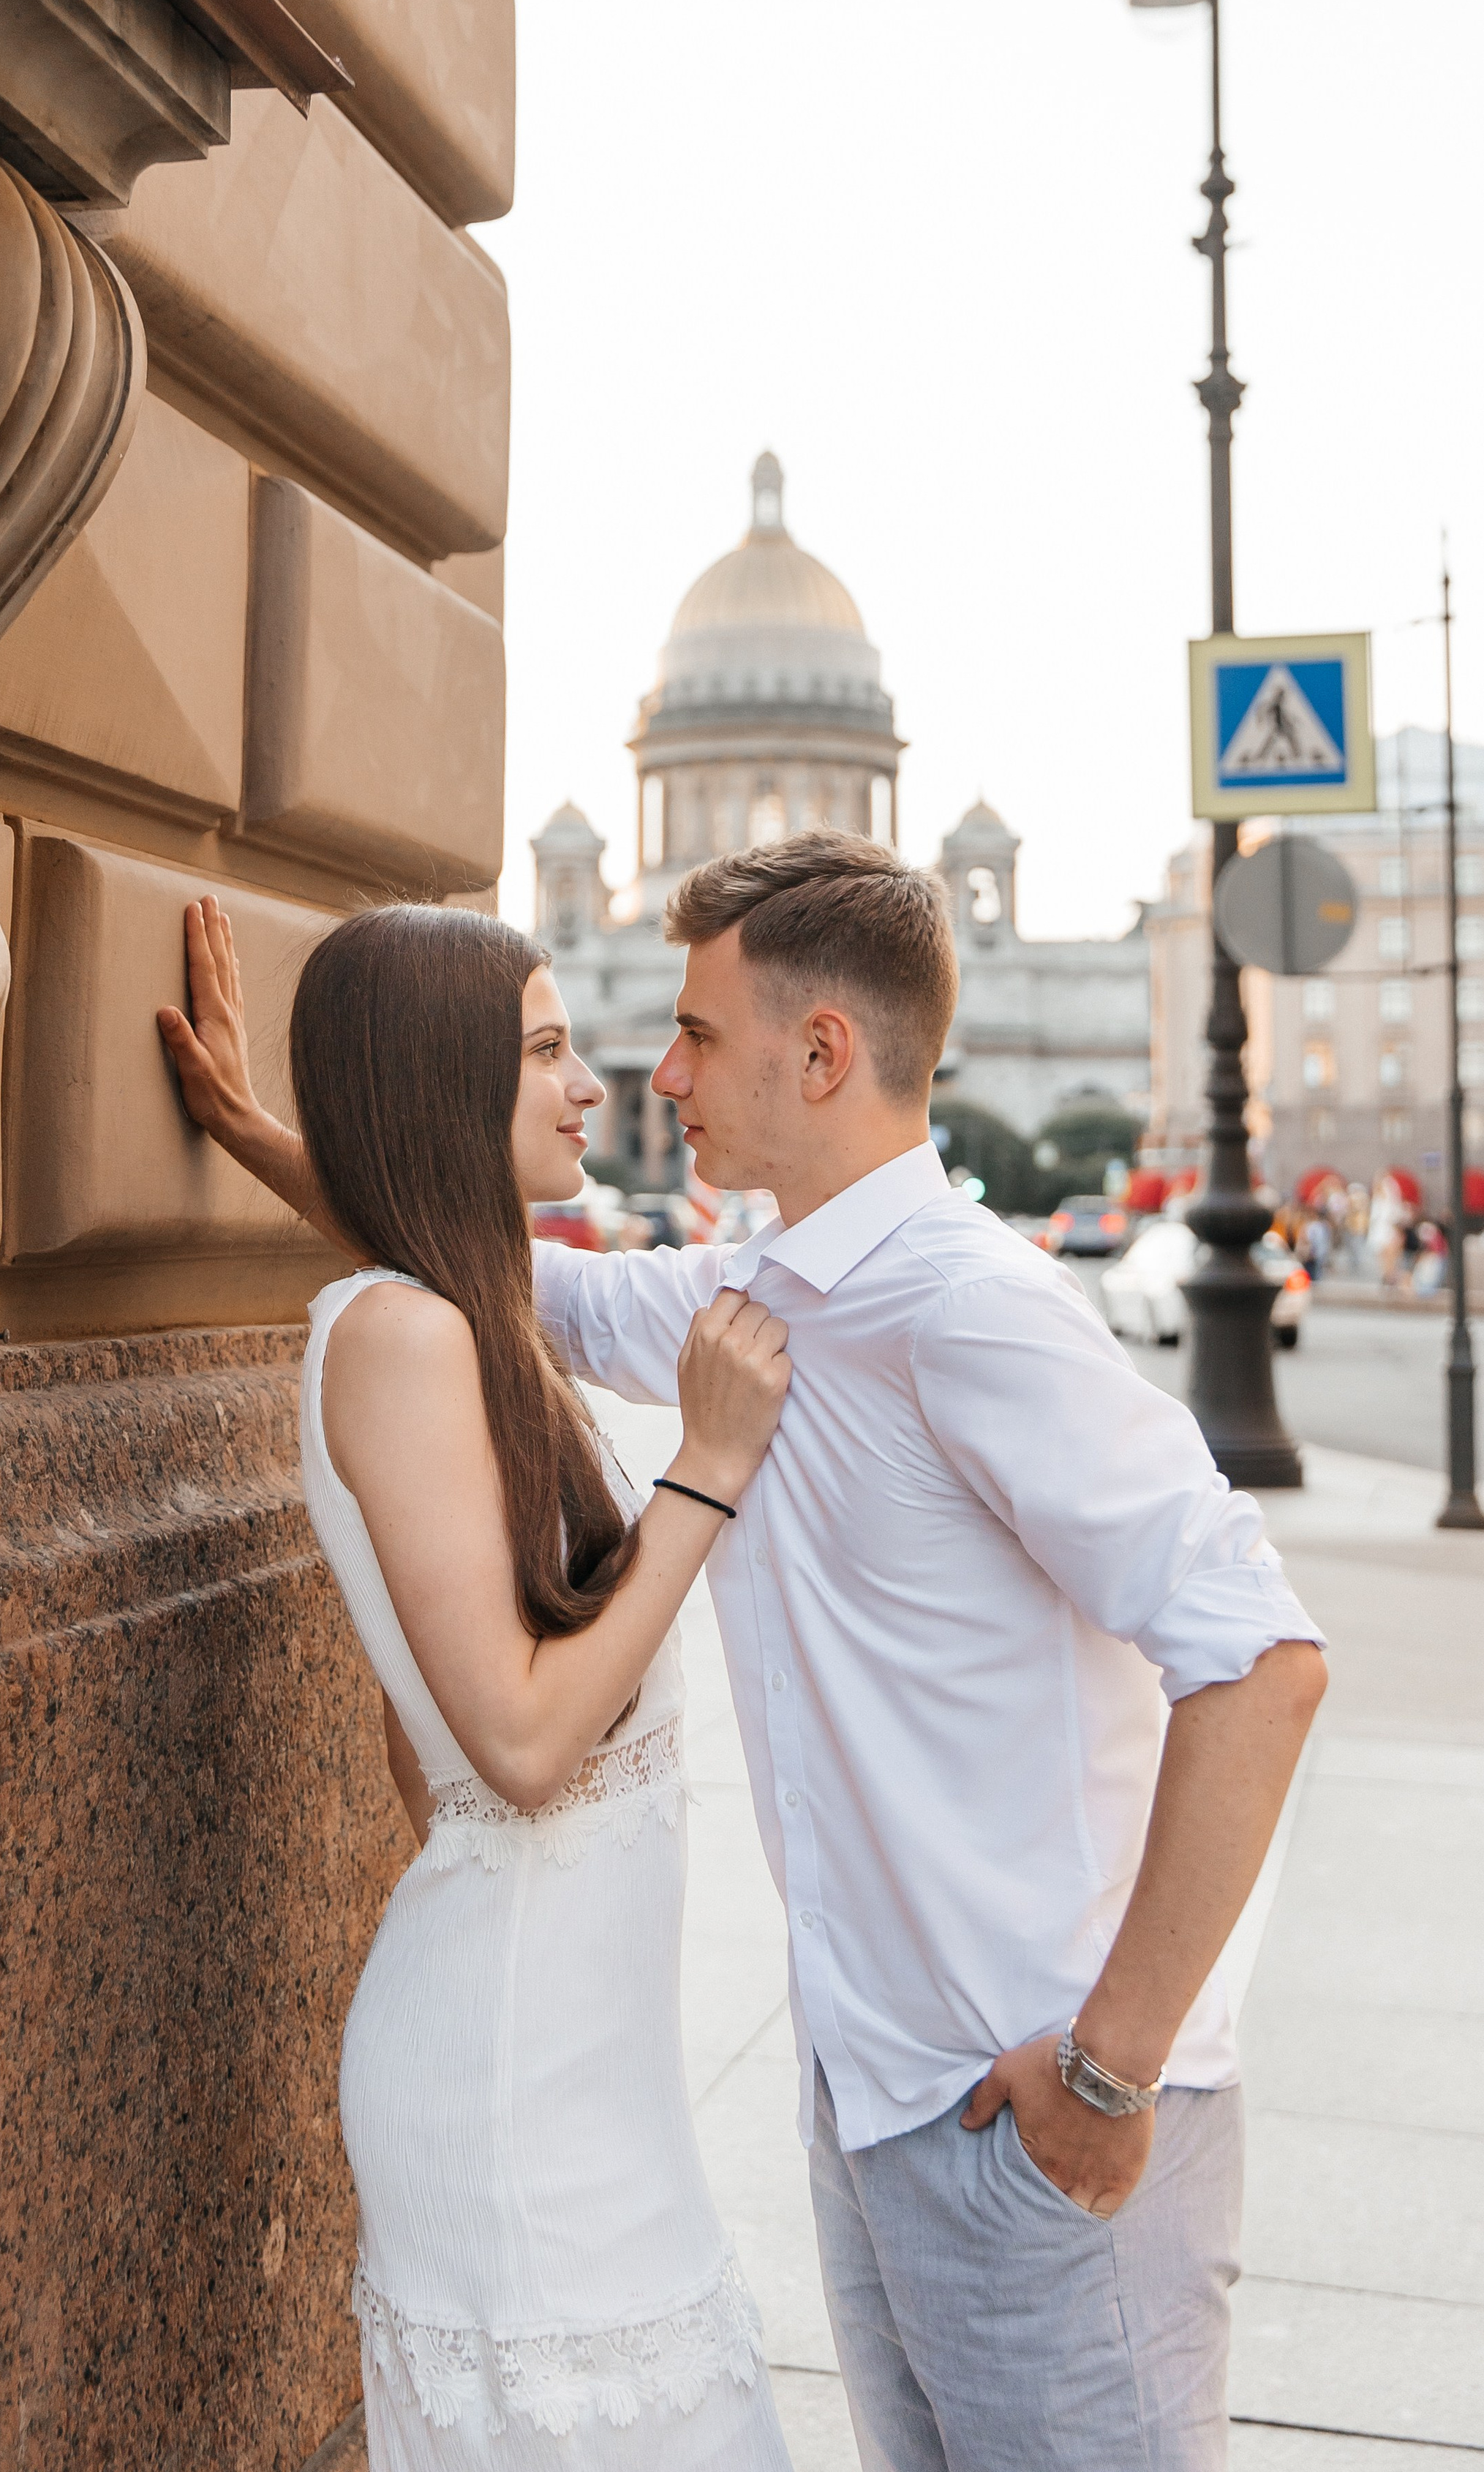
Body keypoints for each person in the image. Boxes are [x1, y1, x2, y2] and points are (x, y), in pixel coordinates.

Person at [530, 829, 1327, 2472]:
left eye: (695, 1032)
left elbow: (1259, 1660)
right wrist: (270, 1133)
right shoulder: (758, 1296)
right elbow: (514, 1290)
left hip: (1038, 2121)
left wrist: (1104, 2074)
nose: (658, 1072)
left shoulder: (968, 1309)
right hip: (888, 2095)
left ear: (819, 1052)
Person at [158, 899, 795, 2470]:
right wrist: (702, 1477)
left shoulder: (456, 1316)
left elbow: (434, 1718)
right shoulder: (403, 1339)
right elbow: (512, 1738)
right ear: (448, 1085)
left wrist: (248, 1125)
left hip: (576, 2064)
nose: (593, 1086)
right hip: (513, 2077)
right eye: (545, 1050)